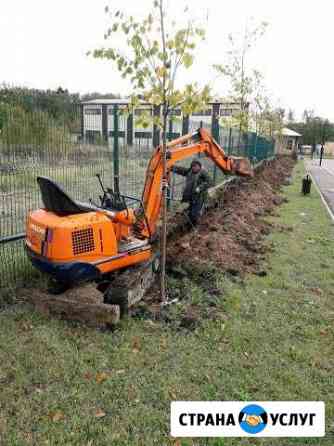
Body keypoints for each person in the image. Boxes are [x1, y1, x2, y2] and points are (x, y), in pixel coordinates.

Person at [171, 159, 212, 226]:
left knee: (194, 214)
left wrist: (200, 188)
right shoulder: (190, 171)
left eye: (195, 166)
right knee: (191, 213)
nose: (193, 168)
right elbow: (182, 170)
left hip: (199, 197)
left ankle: (196, 226)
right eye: (192, 166)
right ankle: (190, 225)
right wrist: (172, 168)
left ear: (199, 166)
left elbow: (210, 182)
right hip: (191, 197)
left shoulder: (203, 173)